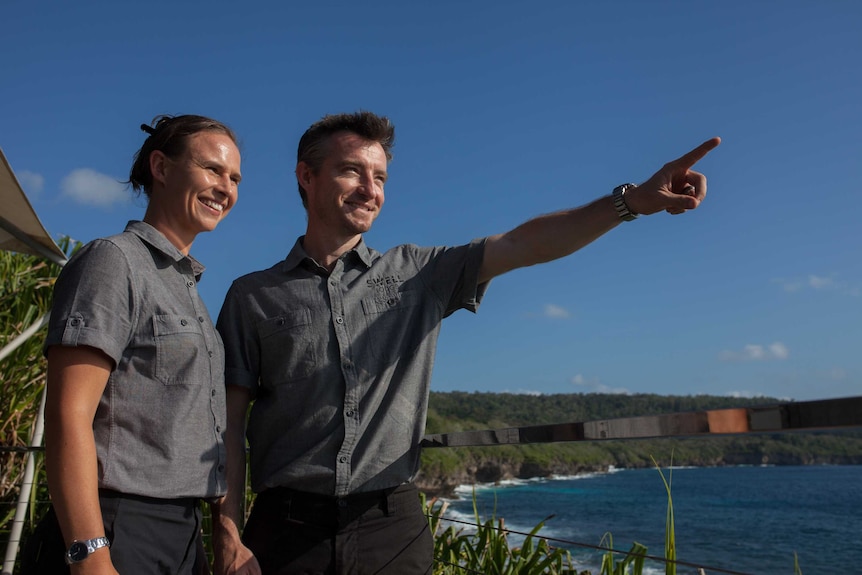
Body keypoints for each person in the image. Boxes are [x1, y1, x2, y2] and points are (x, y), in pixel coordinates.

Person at [212, 111, 720, 575]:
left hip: (391, 527)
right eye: (352, 171)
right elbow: (228, 431)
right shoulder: (252, 297)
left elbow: (524, 243)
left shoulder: (419, 272)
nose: (371, 189)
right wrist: (229, 539)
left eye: (381, 177)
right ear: (307, 176)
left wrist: (630, 202)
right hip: (284, 531)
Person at [32, 114, 242, 575]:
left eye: (234, 178)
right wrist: (90, 555)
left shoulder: (190, 292)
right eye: (212, 169)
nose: (225, 188)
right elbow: (68, 413)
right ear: (161, 168)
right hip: (118, 526)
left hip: (182, 536)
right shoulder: (113, 262)